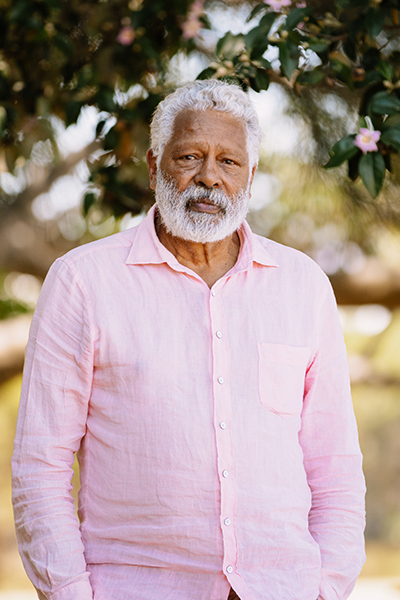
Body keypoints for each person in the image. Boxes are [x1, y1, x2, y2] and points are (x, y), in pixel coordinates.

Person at [12, 80, 365, 600]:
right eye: (189, 157)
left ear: (250, 176)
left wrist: (327, 588)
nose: (208, 178)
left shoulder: (303, 284)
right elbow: (39, 465)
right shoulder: (83, 282)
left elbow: (334, 463)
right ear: (155, 167)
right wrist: (67, 591)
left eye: (228, 161)